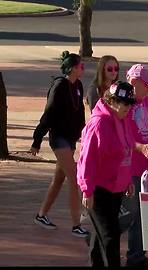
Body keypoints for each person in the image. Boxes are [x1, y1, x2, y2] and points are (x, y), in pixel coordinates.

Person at [77, 81, 136, 267]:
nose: (127, 107)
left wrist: (127, 180)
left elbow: (126, 151)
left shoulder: (123, 119)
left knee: (101, 235)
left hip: (116, 187)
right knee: (110, 236)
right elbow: (87, 159)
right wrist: (87, 190)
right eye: (123, 102)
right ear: (111, 101)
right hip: (98, 189)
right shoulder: (99, 123)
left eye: (130, 103)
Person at [30, 50, 89, 238]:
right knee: (74, 179)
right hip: (59, 139)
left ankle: (41, 215)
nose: (83, 68)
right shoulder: (59, 86)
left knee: (59, 180)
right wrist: (37, 140)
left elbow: (79, 114)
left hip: (70, 139)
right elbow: (48, 115)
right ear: (72, 68)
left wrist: (84, 134)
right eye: (81, 66)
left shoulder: (78, 85)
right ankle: (76, 225)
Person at [121, 64, 148, 267]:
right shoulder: (123, 105)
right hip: (127, 167)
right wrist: (142, 147)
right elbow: (122, 138)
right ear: (133, 82)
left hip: (143, 166)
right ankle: (99, 238)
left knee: (142, 212)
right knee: (130, 212)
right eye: (146, 84)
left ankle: (136, 256)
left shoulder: (146, 99)